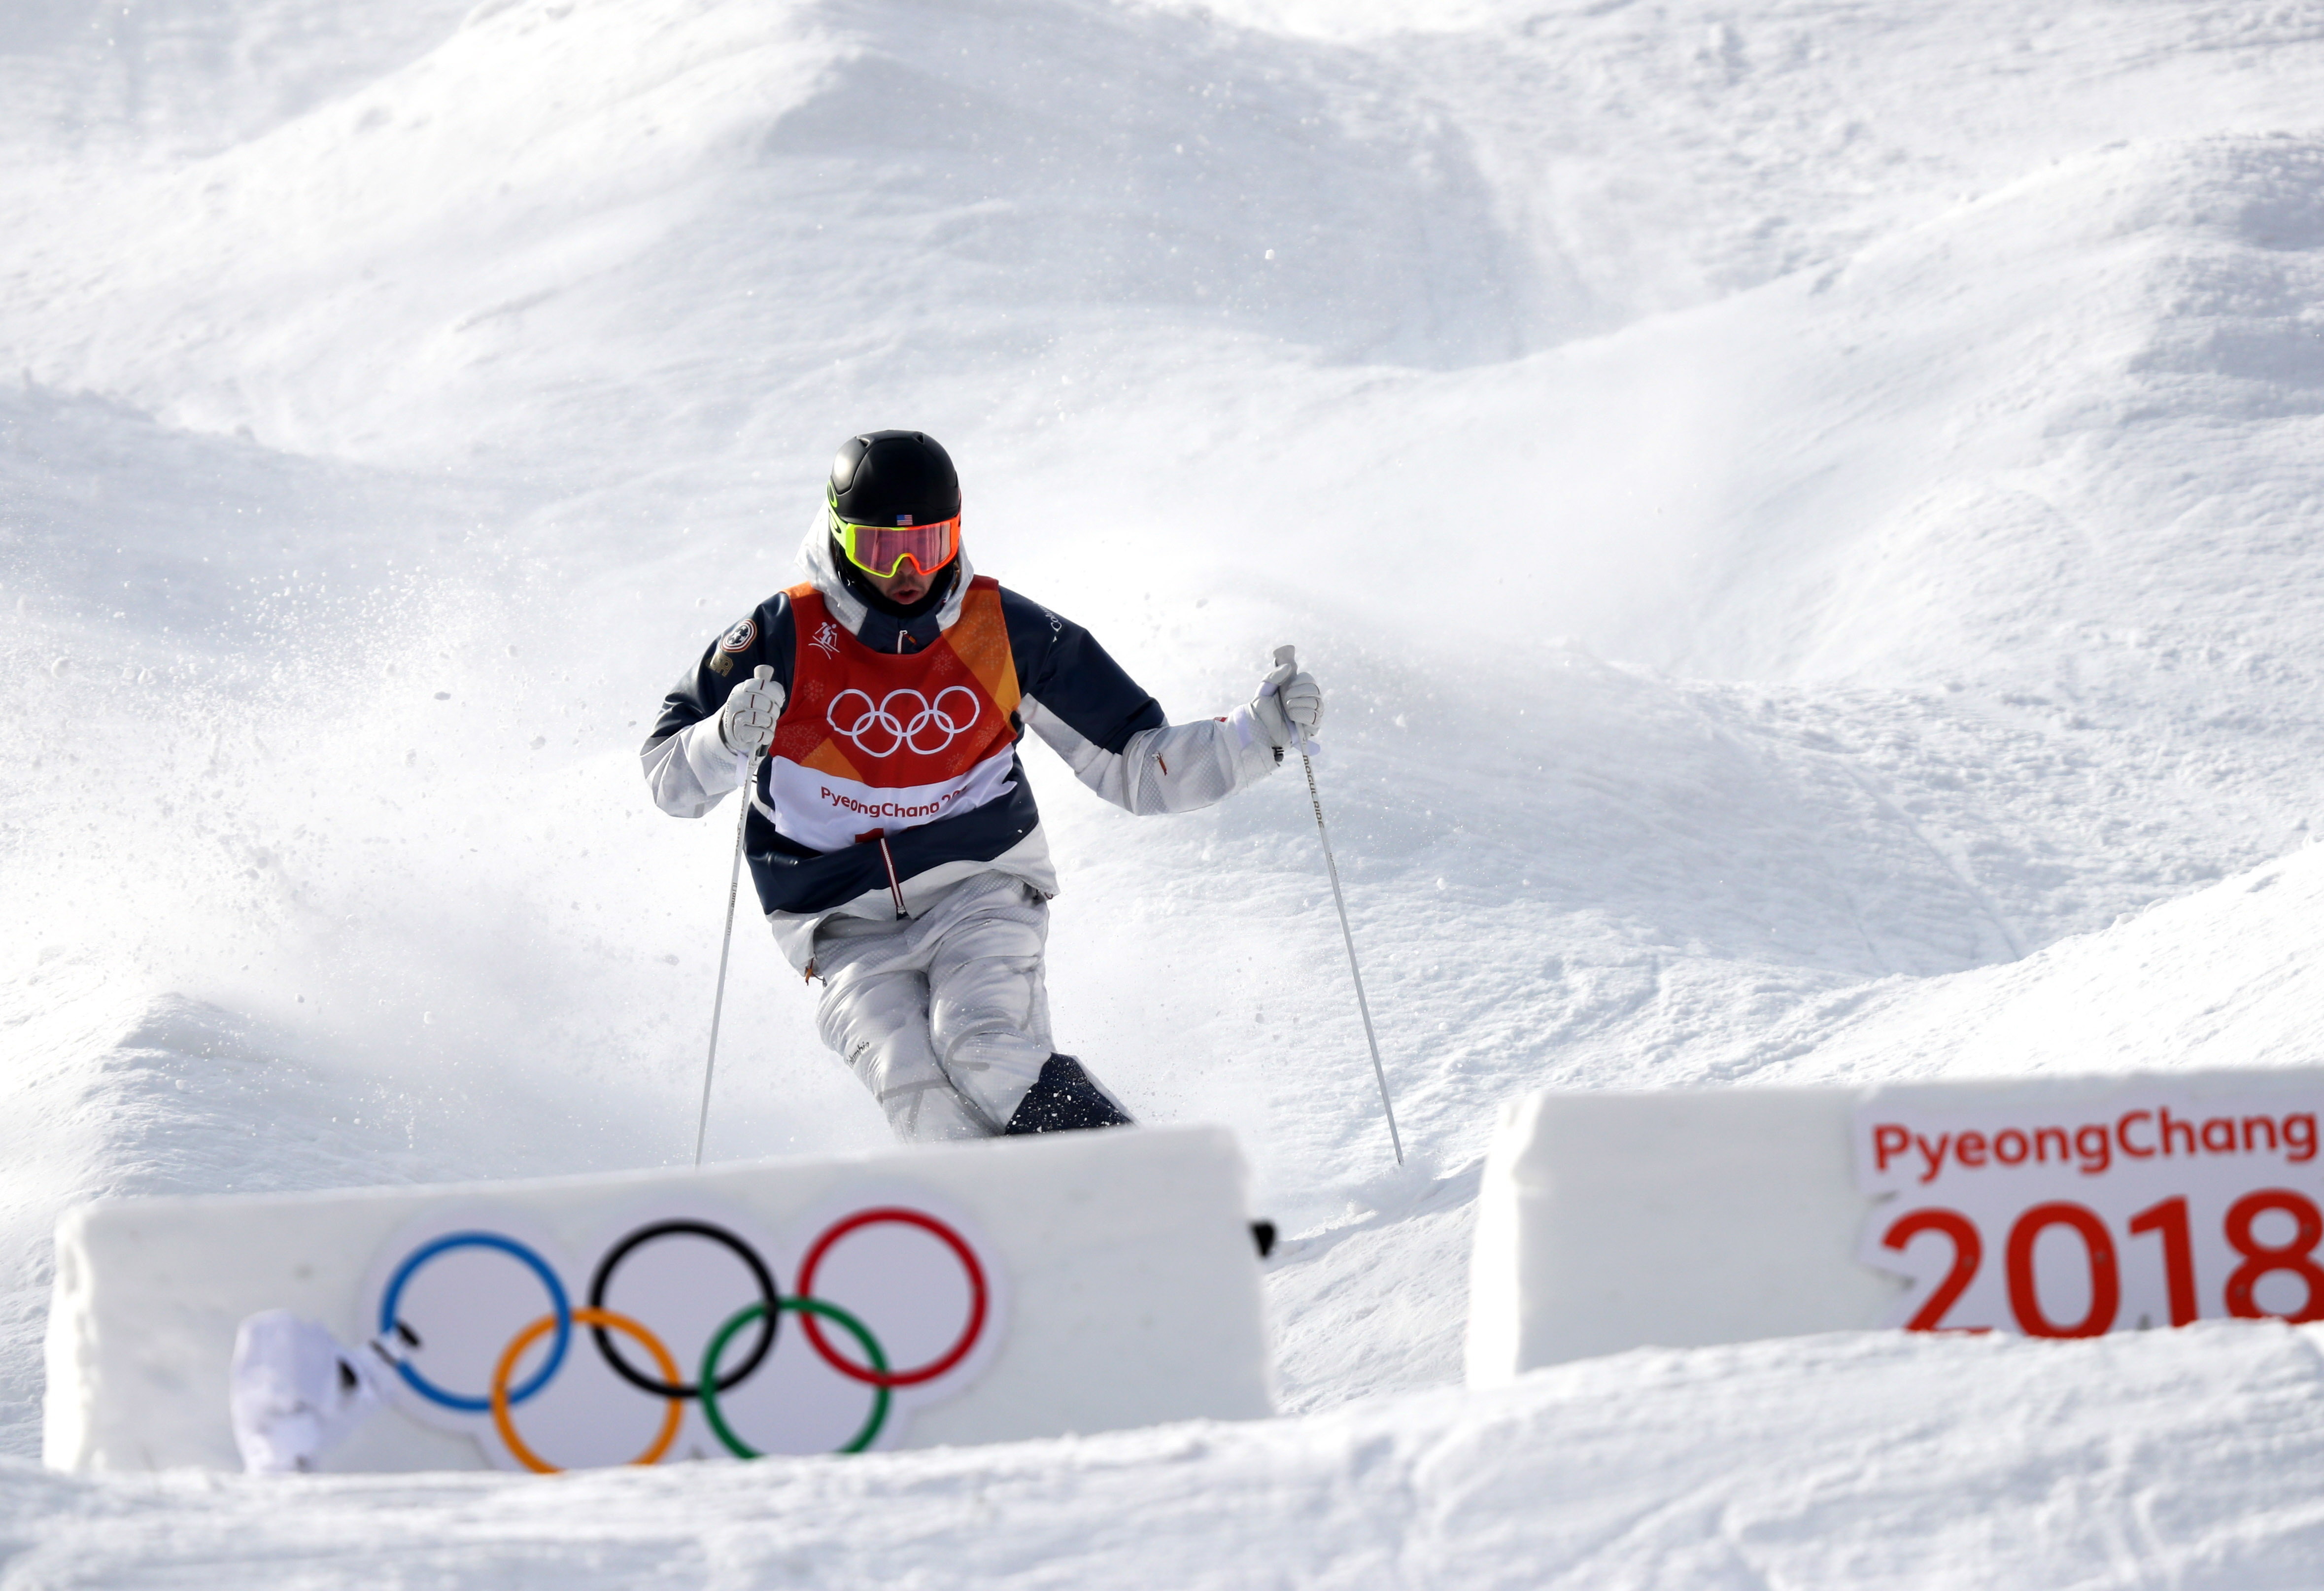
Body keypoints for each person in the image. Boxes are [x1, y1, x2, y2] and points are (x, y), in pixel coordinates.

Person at [642, 430, 1323, 1142]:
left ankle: (1123, 1174)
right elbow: (669, 780)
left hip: (981, 888)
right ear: (842, 537)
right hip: (841, 925)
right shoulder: (784, 635)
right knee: (917, 1091)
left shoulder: (1002, 631)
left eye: (931, 545)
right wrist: (724, 737)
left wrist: (1258, 734)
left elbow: (1135, 761)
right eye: (883, 549)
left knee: (983, 1045)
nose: (909, 570)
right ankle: (1009, 1237)